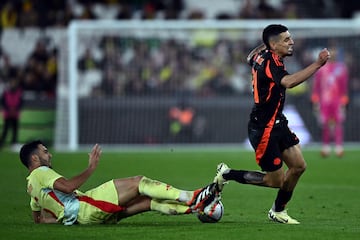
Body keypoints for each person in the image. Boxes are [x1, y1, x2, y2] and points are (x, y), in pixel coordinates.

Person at [213, 24, 330, 224]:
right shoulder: (270, 62)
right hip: (264, 128)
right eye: (286, 40)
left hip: (278, 123)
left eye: (290, 38)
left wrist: (269, 42)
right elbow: (289, 82)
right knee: (275, 181)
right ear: (273, 45)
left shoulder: (263, 55)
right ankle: (227, 174)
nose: (291, 42)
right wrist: (317, 64)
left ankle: (278, 211)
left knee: (299, 166)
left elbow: (251, 57)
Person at [19, 140, 217, 225]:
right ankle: (192, 197)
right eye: (45, 152)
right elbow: (69, 187)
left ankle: (196, 209)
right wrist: (91, 167)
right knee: (139, 182)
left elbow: (40, 219)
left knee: (146, 201)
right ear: (34, 159)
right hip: (88, 207)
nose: (49, 154)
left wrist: (65, 218)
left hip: (84, 218)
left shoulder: (32, 189)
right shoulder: (41, 173)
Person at [311, 47, 349, 158]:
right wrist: (315, 100)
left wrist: (344, 101)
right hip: (324, 101)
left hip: (337, 101)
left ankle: (338, 147)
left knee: (338, 123)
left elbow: (344, 87)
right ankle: (326, 147)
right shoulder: (321, 69)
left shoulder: (341, 68)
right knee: (325, 124)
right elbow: (316, 86)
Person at [0, 78, 23, 147]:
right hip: (8, 113)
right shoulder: (6, 92)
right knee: (6, 129)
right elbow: (3, 102)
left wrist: (15, 109)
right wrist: (8, 108)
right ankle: (1, 143)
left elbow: (21, 102)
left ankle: (14, 143)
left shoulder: (19, 92)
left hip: (15, 113)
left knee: (15, 129)